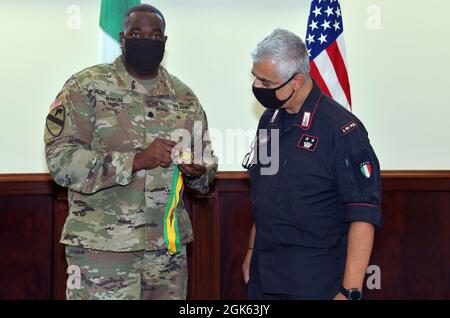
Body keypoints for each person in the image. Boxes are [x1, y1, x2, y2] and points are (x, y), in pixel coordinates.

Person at [44, 4, 217, 300]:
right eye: (137, 33)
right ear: (123, 38)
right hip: (102, 250)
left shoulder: (184, 97)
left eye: (155, 35)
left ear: (164, 41)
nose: (146, 40)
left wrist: (200, 171)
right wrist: (135, 161)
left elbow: (206, 161)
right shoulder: (86, 87)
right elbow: (61, 161)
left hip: (166, 252)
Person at [242, 29, 383, 300]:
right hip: (264, 277)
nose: (258, 87)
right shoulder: (269, 122)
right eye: (255, 78)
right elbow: (264, 195)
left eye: (266, 82)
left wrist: (349, 291)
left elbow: (364, 215)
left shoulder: (342, 131)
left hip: (314, 281)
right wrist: (251, 252)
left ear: (296, 81)